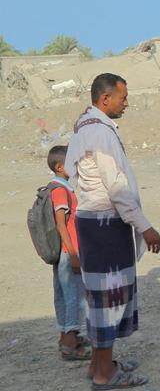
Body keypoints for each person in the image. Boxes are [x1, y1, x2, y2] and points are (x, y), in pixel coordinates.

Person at [66, 73, 160, 390]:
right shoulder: (99, 133)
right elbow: (118, 188)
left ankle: (100, 363)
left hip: (93, 221)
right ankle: (104, 374)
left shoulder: (86, 126)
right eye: (123, 97)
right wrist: (145, 226)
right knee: (109, 300)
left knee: (100, 298)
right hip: (105, 224)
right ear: (105, 99)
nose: (127, 102)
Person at [45, 145, 89, 361]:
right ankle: (71, 345)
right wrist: (73, 254)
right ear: (60, 166)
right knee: (73, 297)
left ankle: (66, 339)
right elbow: (61, 224)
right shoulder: (61, 191)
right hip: (67, 252)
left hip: (62, 252)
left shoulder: (55, 187)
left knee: (63, 295)